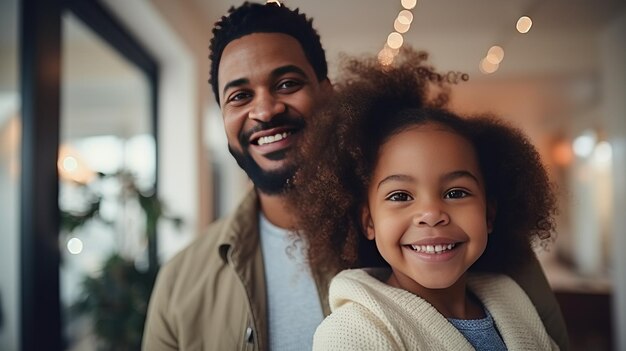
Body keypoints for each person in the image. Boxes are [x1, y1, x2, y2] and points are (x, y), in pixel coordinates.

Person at [142, 2, 568, 350]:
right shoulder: (181, 284)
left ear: (327, 93)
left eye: (287, 83)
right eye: (239, 96)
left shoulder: (469, 244)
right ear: (222, 115)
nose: (265, 109)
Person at [286, 48, 561, 350]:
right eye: (401, 195)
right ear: (369, 222)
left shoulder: (516, 304)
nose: (431, 213)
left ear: (489, 214)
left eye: (456, 193)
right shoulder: (350, 335)